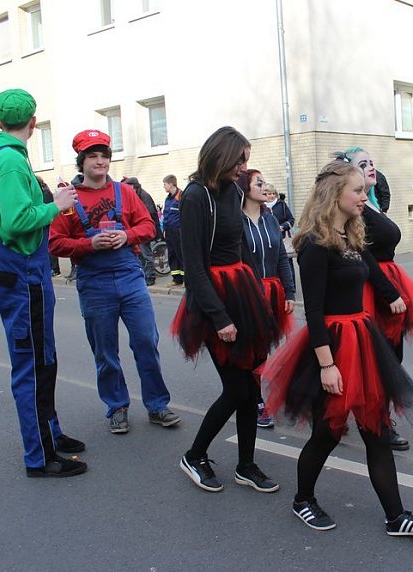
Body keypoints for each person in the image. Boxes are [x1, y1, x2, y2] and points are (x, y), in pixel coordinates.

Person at [260, 159, 413, 537]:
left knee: (375, 428)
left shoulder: (351, 237)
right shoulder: (314, 245)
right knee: (326, 433)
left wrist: (394, 296)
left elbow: (372, 269)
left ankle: (396, 516)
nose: (363, 196)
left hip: (362, 337)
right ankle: (302, 500)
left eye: (363, 190)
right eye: (357, 190)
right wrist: (327, 366)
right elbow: (315, 312)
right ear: (334, 194)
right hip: (333, 345)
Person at [0, 88, 86, 477]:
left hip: (24, 273)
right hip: (23, 276)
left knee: (44, 359)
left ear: (0, 121)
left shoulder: (0, 157)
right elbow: (18, 220)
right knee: (34, 365)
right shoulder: (8, 161)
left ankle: (50, 433)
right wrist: (57, 205)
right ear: (33, 123)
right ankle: (40, 455)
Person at [172, 126, 281, 493]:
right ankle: (195, 454)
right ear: (221, 155)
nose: (243, 168)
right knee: (236, 388)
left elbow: (240, 246)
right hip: (213, 301)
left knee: (250, 387)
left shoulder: (233, 191)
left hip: (242, 292)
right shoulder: (194, 196)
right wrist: (220, 317)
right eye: (239, 160)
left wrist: (257, 295)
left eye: (246, 161)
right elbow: (194, 267)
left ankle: (246, 465)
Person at [49, 129, 180, 434]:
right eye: (92, 156)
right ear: (81, 162)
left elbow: (149, 225)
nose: (100, 162)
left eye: (104, 156)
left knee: (147, 342)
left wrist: (126, 235)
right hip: (94, 283)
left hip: (129, 276)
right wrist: (88, 246)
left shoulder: (125, 191)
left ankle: (157, 405)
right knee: (105, 351)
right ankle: (117, 407)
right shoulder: (67, 198)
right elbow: (55, 244)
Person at [347, 148, 413, 452]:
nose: (371, 167)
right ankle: (378, 421)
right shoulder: (352, 209)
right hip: (371, 289)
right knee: (377, 361)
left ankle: (354, 413)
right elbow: (361, 253)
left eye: (372, 163)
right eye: (362, 164)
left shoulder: (371, 203)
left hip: (388, 284)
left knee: (392, 357)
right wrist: (388, 292)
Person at [238, 168, 296, 429]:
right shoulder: (236, 221)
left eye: (264, 182)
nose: (264, 187)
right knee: (250, 348)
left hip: (272, 290)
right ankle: (254, 400)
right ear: (244, 188)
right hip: (247, 291)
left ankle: (255, 396)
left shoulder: (271, 218)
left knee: (263, 348)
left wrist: (290, 291)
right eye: (257, 183)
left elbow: (282, 258)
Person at [123, 177, 161, 286]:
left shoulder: (144, 196)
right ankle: (145, 275)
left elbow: (149, 215)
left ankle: (150, 277)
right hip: (139, 230)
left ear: (132, 186)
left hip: (145, 231)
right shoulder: (137, 195)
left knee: (146, 254)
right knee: (141, 255)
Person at [162, 175, 184, 288]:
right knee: (172, 254)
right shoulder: (168, 198)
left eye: (165, 184)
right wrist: (165, 229)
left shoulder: (181, 196)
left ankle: (186, 278)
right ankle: (176, 279)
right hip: (169, 231)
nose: (164, 186)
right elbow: (166, 215)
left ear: (170, 184)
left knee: (182, 254)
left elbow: (186, 215)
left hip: (179, 231)